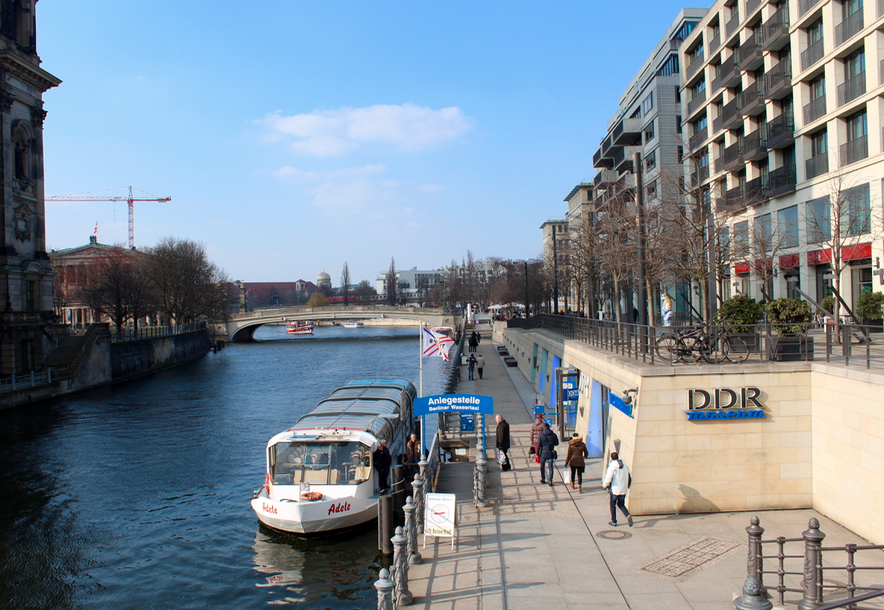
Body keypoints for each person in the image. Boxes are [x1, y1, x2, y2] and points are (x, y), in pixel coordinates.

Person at [603, 451, 633, 527]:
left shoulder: (612, 466)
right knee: (621, 504)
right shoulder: (625, 466)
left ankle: (614, 521)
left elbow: (608, 477)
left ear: (611, 458)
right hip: (623, 489)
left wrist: (605, 485)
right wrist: (627, 487)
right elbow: (630, 477)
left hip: (615, 490)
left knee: (613, 505)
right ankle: (628, 515)